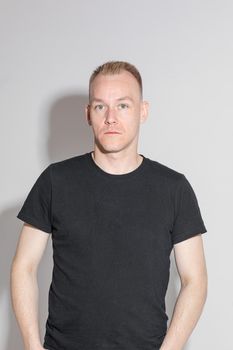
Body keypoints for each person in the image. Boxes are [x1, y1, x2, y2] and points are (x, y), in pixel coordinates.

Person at [10, 61, 208, 350]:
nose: (111, 118)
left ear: (143, 111)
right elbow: (23, 266)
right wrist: (30, 344)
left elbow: (195, 280)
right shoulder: (56, 180)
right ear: (88, 114)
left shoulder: (173, 188)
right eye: (101, 106)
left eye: (123, 106)